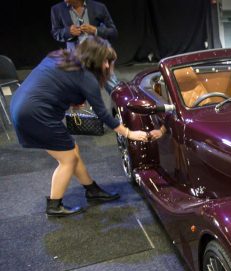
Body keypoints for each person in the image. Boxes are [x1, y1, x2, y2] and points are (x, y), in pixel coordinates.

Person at [10, 37, 154, 217]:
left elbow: (53, 83)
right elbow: (102, 113)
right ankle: (54, 206)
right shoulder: (87, 77)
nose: (108, 66)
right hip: (36, 114)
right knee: (67, 160)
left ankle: (92, 190)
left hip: (20, 104)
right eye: (106, 61)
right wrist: (129, 133)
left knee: (72, 150)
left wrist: (71, 97)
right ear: (96, 59)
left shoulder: (60, 56)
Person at [51, 0, 120, 93]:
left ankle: (120, 106)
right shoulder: (57, 9)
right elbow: (56, 33)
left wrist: (95, 30)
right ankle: (83, 108)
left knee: (113, 86)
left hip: (98, 53)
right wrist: (68, 32)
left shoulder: (99, 7)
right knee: (77, 91)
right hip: (75, 56)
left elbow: (113, 32)